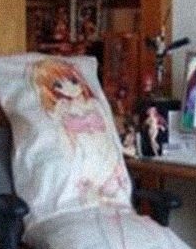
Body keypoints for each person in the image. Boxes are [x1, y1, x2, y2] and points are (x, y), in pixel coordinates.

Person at [32, 58, 128, 205]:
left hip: (100, 143)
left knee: (106, 163)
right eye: (58, 85)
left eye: (73, 80)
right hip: (81, 146)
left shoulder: (94, 104)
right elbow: (63, 134)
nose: (69, 87)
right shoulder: (62, 109)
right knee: (85, 165)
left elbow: (108, 129)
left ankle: (108, 185)